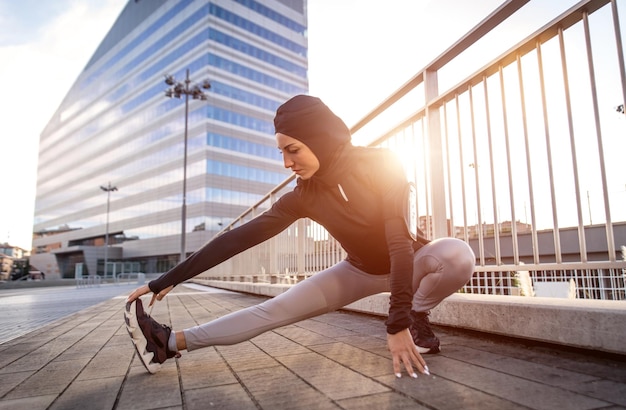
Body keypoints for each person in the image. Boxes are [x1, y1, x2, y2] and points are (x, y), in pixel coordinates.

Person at [125, 94, 475, 378]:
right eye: (281, 152)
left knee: (457, 254)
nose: (287, 163)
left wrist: (397, 321)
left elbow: (399, 243)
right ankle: (168, 342)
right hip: (357, 272)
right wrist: (169, 278)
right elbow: (240, 238)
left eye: (293, 149)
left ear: (319, 141)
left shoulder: (381, 164)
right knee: (273, 310)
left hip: (411, 262)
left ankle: (417, 318)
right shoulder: (303, 196)